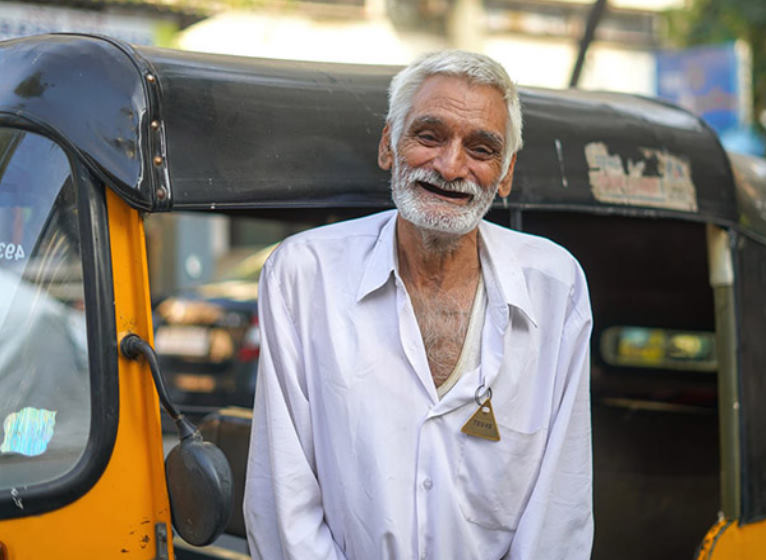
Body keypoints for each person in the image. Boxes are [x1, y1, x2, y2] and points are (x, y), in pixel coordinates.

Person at [243, 50, 593, 559]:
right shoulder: (303, 276)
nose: (451, 166)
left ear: (507, 172)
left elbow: (559, 510)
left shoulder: (555, 288)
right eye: (429, 136)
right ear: (389, 144)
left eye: (481, 148)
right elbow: (284, 503)